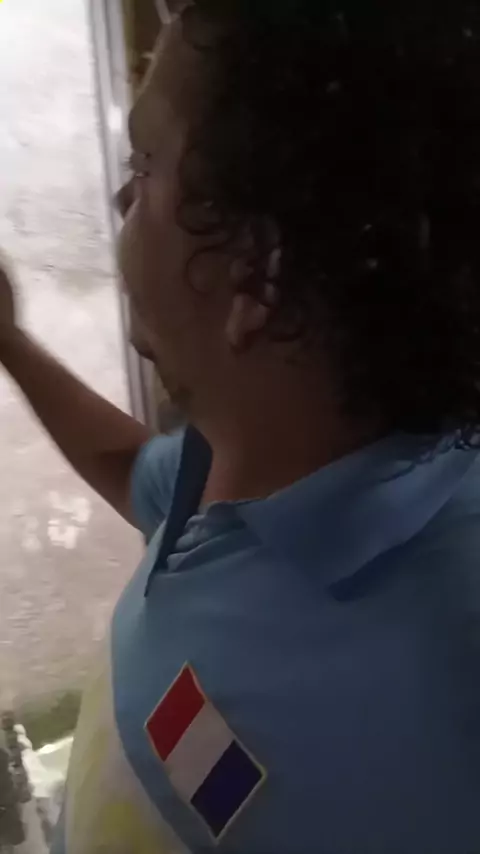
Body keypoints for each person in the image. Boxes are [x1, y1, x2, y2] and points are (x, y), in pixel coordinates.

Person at [1, 0, 480, 850]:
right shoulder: (243, 460)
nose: (121, 197)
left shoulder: (433, 706)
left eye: (146, 165)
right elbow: (133, 473)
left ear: (257, 276)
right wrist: (9, 341)